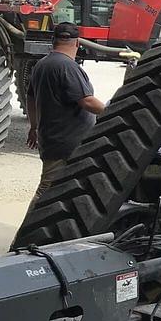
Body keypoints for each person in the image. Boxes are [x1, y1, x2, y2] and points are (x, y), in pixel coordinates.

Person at [23, 22, 106, 212]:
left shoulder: (41, 65)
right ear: (77, 43)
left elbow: (30, 98)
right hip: (67, 144)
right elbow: (87, 102)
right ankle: (25, 237)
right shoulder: (68, 67)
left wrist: (34, 127)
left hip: (52, 139)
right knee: (46, 191)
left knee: (63, 191)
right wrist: (112, 111)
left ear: (53, 41)